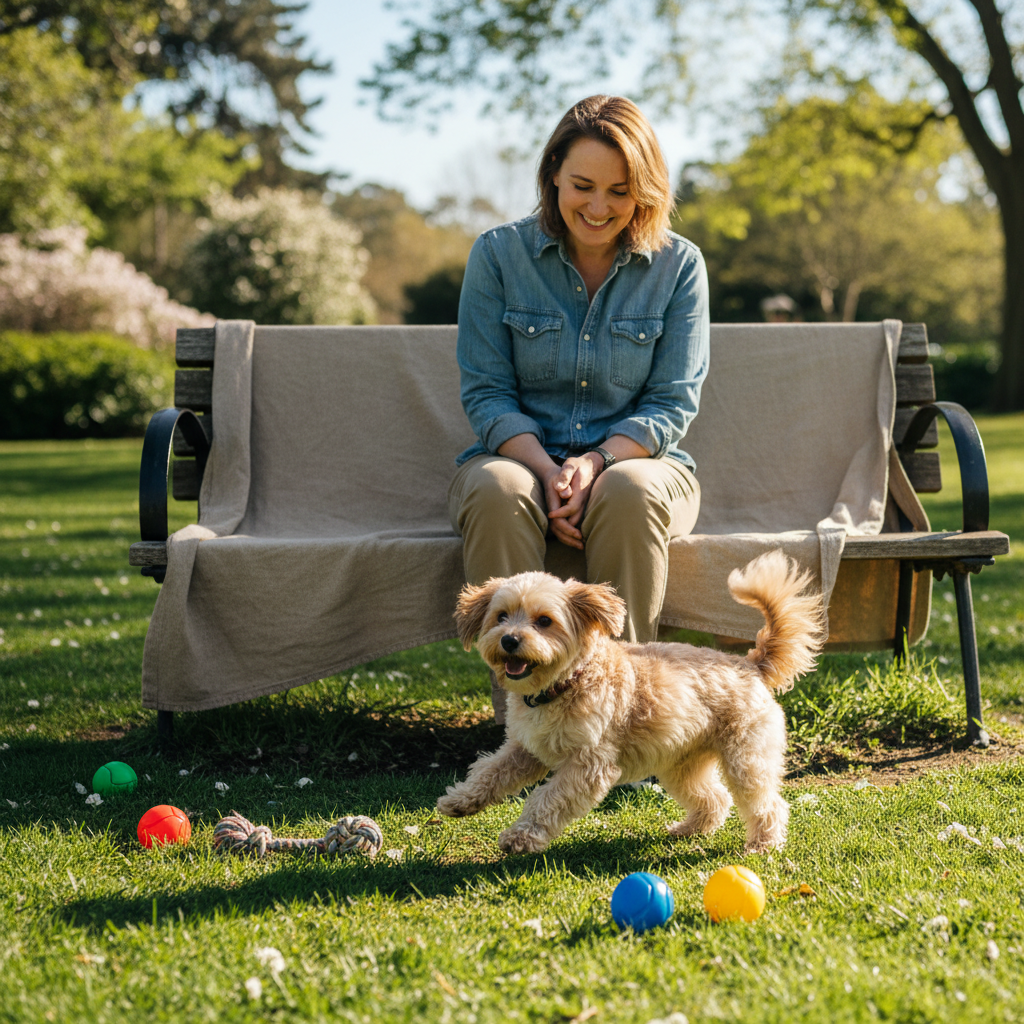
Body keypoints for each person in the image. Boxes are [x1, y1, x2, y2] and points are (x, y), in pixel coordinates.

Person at [448, 94, 710, 721]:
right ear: (553, 177)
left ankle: (626, 721)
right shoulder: (497, 255)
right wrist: (547, 471)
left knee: (630, 492)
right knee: (495, 487)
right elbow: (486, 392)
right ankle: (521, 727)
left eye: (620, 191)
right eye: (582, 186)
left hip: (641, 461)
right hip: (518, 457)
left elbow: (672, 402)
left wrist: (593, 464)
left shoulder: (679, 265)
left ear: (645, 190)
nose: (598, 207)